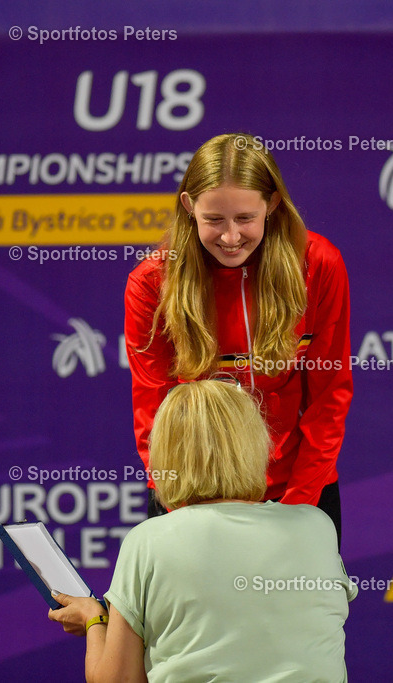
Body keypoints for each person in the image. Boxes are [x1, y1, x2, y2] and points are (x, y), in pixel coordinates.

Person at [124, 132, 353, 542]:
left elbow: (329, 398)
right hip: (193, 497)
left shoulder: (318, 265)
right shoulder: (151, 282)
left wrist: (297, 509)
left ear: (273, 204)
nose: (230, 237)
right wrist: (184, 511)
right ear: (189, 207)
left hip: (299, 492)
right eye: (214, 220)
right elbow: (154, 415)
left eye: (245, 218)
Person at [49, 380, 357, 682]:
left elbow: (119, 679)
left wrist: (94, 619)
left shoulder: (148, 541)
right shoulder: (317, 526)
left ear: (165, 455)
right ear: (257, 445)